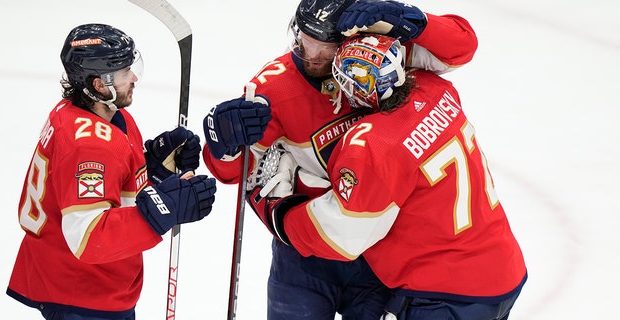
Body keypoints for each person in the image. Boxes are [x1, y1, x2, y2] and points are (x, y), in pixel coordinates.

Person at [201, 0, 479, 318]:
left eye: (326, 47)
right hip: (305, 254)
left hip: (378, 251)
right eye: (305, 40)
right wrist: (225, 144)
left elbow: (461, 47)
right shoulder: (273, 88)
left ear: (352, 40)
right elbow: (235, 172)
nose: (311, 56)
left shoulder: (378, 53)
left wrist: (413, 20)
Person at [248, 34, 527, 320]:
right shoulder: (436, 89)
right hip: (505, 270)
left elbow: (340, 235)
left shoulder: (373, 143)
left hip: (443, 294)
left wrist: (277, 210)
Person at [6, 23, 217, 320]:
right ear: (98, 84)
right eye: (123, 72)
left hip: (92, 284)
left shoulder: (100, 115)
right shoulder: (87, 146)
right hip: (81, 293)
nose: (133, 78)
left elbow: (111, 185)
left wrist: (156, 167)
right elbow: (89, 238)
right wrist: (164, 209)